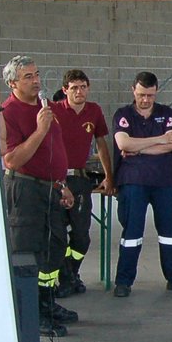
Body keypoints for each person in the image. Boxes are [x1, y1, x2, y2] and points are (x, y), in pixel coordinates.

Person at [0, 56, 77, 335]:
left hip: (50, 188)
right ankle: (30, 314)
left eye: (37, 75)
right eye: (28, 77)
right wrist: (40, 129)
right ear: (12, 84)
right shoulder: (10, 112)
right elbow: (13, 159)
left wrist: (61, 183)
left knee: (55, 246)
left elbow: (53, 151)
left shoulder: (44, 107)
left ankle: (47, 302)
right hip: (26, 189)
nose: (36, 81)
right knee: (30, 250)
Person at [112, 71, 172, 297]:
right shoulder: (123, 114)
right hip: (133, 182)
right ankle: (124, 281)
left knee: (169, 232)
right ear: (133, 91)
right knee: (132, 233)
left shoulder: (167, 113)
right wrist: (158, 139)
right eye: (141, 95)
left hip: (163, 181)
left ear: (156, 92)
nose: (145, 99)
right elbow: (123, 143)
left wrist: (137, 148)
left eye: (149, 95)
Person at [50, 69, 115, 298]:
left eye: (83, 86)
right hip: (56, 180)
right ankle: (66, 280)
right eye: (74, 87)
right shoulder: (53, 110)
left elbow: (101, 144)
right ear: (65, 89)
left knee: (81, 236)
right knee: (57, 235)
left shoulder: (94, 111)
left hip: (80, 179)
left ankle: (71, 274)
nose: (79, 91)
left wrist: (109, 176)